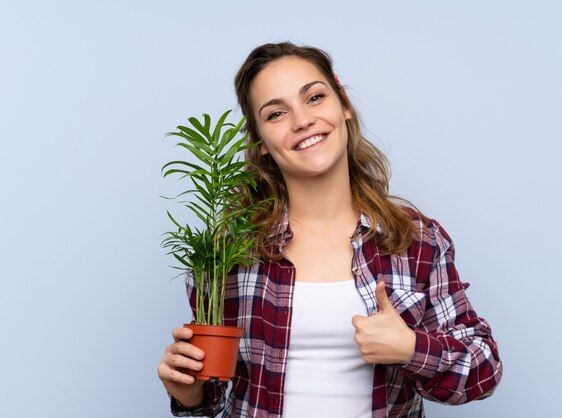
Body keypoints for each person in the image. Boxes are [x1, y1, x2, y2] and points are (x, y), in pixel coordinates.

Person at [157, 42, 503, 418]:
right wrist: (189, 395)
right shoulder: (228, 252)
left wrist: (410, 349)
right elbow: (215, 400)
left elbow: (484, 371)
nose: (302, 120)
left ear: (345, 106)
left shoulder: (416, 240)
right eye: (276, 113)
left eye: (315, 97)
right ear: (260, 145)